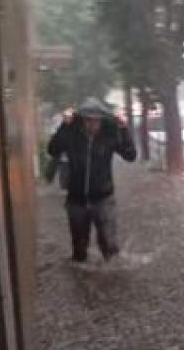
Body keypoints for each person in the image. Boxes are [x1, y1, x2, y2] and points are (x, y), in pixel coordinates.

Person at [47, 98, 136, 262]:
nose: (91, 124)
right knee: (79, 250)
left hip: (103, 198)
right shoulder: (71, 134)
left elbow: (130, 155)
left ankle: (111, 279)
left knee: (110, 248)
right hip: (76, 199)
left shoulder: (109, 135)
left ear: (101, 120)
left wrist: (123, 128)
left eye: (96, 120)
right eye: (87, 120)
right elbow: (53, 149)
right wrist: (64, 126)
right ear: (81, 120)